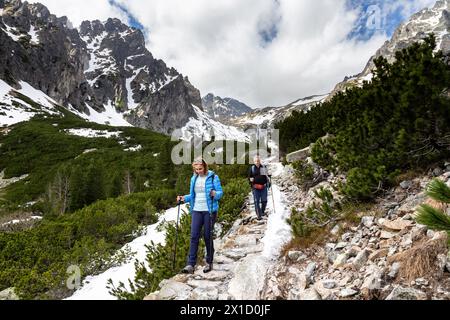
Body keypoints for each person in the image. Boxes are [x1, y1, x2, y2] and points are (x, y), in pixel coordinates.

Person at [176, 158, 223, 274]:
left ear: (205, 167)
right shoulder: (194, 178)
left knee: (207, 236)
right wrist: (183, 198)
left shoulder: (213, 177)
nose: (198, 171)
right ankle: (190, 264)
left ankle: (209, 261)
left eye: (200, 169)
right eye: (196, 169)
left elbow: (220, 193)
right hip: (196, 210)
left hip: (209, 210)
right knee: (194, 236)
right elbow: (193, 195)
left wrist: (215, 194)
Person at [248, 155, 270, 220]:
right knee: (256, 201)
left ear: (260, 161)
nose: (257, 162)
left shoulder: (263, 167)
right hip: (255, 188)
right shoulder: (252, 168)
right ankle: (259, 215)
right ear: (254, 161)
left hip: (263, 187)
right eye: (256, 161)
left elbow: (266, 176)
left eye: (258, 160)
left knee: (264, 201)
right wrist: (250, 179)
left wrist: (269, 177)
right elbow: (249, 177)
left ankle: (262, 211)